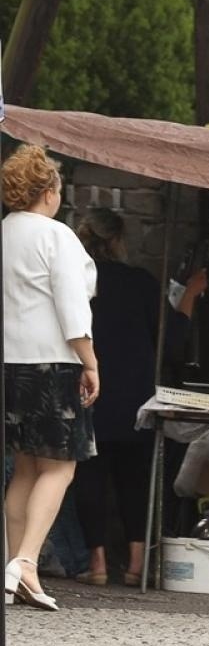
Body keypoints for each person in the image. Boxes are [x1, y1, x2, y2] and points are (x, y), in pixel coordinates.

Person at [70, 208, 208, 585]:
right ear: (119, 241)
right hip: (135, 398)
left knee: (90, 478)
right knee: (135, 479)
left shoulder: (73, 283)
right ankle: (135, 565)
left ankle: (97, 565)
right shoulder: (141, 283)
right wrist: (191, 294)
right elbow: (174, 342)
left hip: (87, 390)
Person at [2, 145, 101, 610]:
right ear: (49, 191)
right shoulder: (56, 236)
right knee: (60, 466)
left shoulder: (4, 232)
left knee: (24, 466)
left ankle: (15, 570)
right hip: (52, 361)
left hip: (9, 362)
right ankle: (26, 561)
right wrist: (90, 360)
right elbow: (72, 306)